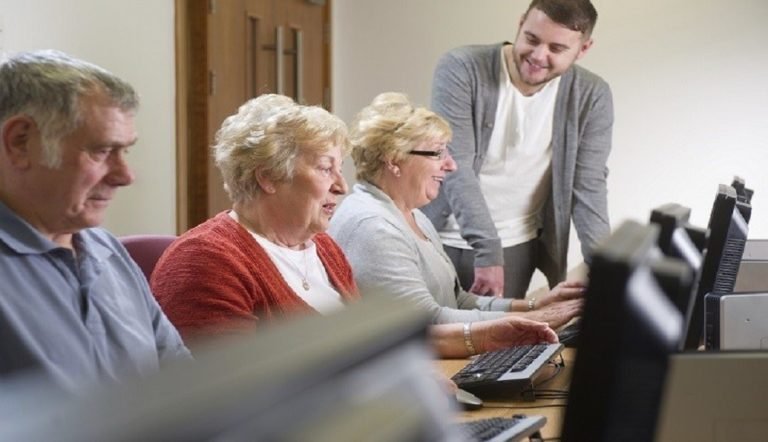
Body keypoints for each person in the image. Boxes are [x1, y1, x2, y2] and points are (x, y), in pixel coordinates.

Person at [151, 93, 557, 357]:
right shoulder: (205, 262)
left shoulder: (323, 248)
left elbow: (371, 346)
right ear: (267, 177)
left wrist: (488, 337)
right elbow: (230, 399)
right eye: (326, 168)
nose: (342, 186)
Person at [0, 50, 190, 389]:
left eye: (125, 150)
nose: (125, 175)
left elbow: (180, 380)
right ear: (20, 142)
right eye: (101, 151)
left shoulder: (106, 249)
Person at [329, 92, 583, 328]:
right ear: (394, 160)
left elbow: (457, 300)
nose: (450, 165)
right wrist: (535, 319)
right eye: (438, 153)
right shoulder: (374, 227)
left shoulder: (414, 215)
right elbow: (426, 322)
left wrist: (534, 306)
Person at [422, 0, 613, 299]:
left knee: (497, 344)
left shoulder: (592, 95)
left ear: (583, 49)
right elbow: (456, 164)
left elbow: (589, 186)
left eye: (556, 48)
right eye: (532, 39)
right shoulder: (462, 67)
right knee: (428, 339)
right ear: (521, 23)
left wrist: (605, 268)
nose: (538, 56)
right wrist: (488, 249)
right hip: (441, 235)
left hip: (516, 244)